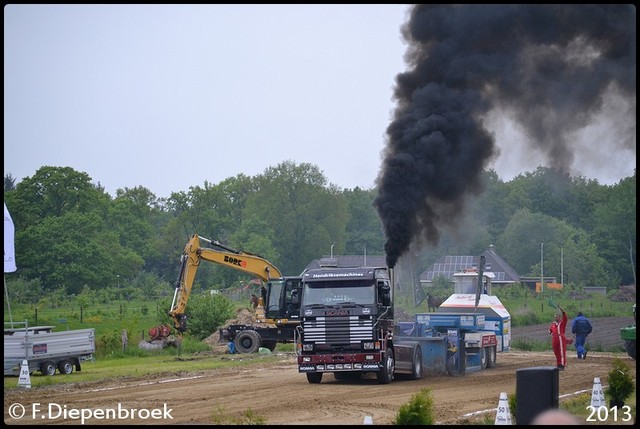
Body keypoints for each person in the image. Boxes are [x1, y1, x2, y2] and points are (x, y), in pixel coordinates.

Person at [549, 306, 568, 370]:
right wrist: (551, 332)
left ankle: (562, 365)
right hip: (554, 338)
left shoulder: (562, 323)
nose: (556, 318)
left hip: (561, 337)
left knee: (562, 352)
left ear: (560, 317)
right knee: (556, 352)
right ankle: (558, 364)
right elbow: (550, 330)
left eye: (557, 317)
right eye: (555, 317)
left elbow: (565, 318)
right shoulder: (553, 324)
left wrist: (563, 312)